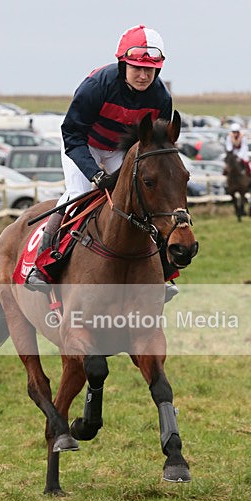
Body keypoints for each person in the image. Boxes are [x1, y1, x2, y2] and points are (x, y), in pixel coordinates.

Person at [25, 24, 178, 298]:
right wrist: (95, 174)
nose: (144, 75)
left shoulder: (161, 98)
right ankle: (44, 265)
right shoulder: (97, 86)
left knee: (141, 200)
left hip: (121, 149)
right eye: (136, 68)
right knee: (80, 194)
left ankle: (162, 270)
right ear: (123, 64)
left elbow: (154, 144)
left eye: (150, 69)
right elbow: (72, 133)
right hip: (85, 145)